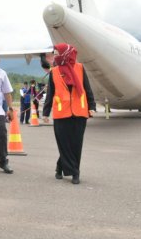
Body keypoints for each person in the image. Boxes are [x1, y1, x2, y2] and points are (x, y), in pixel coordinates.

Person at [42, 43, 96, 185]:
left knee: (76, 144)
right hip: (61, 113)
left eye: (56, 53)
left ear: (65, 53)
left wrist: (92, 106)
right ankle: (62, 167)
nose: (54, 56)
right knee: (64, 144)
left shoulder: (80, 68)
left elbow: (87, 88)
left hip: (79, 112)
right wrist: (46, 112)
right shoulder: (54, 71)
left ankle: (75, 172)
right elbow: (50, 93)